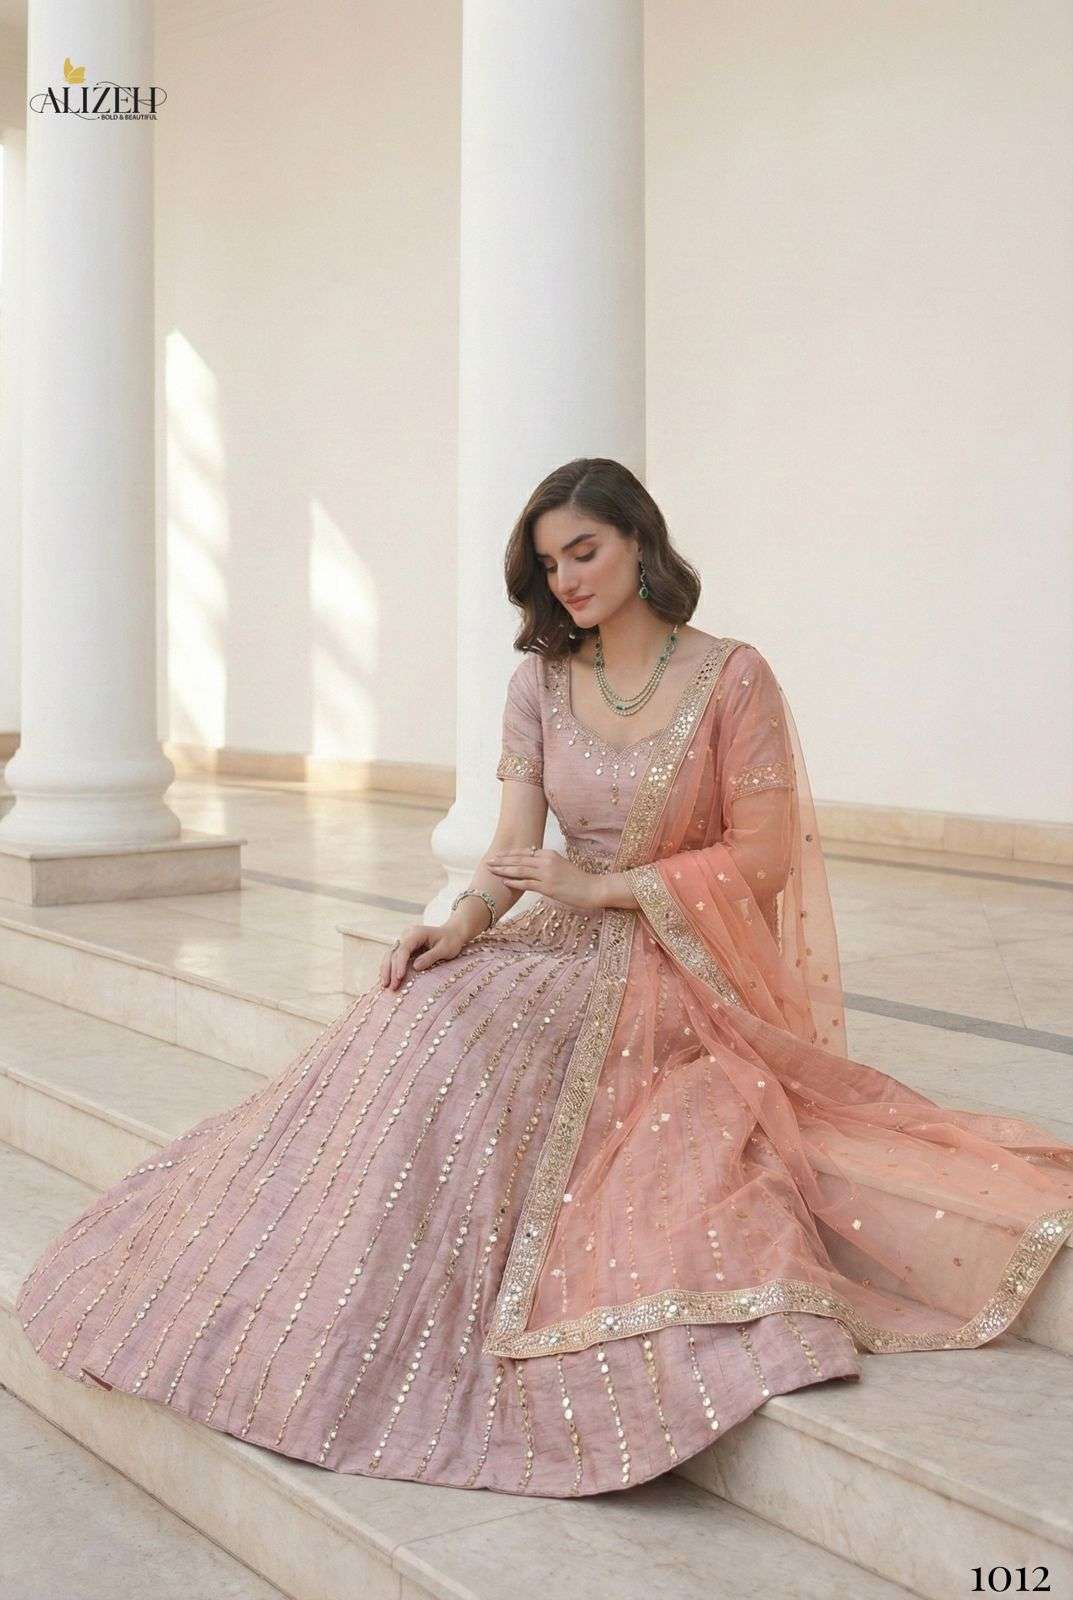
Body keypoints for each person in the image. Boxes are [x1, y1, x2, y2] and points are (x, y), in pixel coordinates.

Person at [16, 458, 1073, 1499]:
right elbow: (513, 849)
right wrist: (459, 922)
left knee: (488, 1049)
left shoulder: (730, 675)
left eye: (584, 551)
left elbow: (761, 858)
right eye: (549, 563)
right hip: (557, 934)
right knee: (423, 1011)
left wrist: (606, 888)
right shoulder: (538, 683)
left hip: (676, 957)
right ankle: (335, 1307)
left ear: (639, 543)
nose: (566, 579)